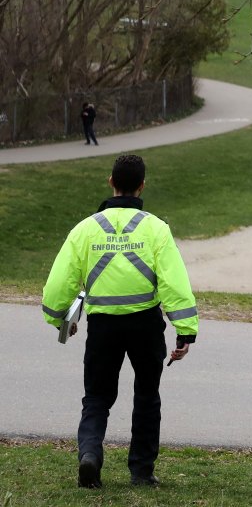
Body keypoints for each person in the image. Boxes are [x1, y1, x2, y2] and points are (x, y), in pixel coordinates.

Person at [41, 154, 199, 489]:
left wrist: (58, 317)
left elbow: (60, 283)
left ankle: (90, 456)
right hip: (145, 325)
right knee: (146, 395)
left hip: (103, 327)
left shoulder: (85, 229)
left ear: (110, 181)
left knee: (96, 397)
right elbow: (174, 282)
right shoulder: (156, 229)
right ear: (142, 185)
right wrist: (185, 330)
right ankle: (141, 472)